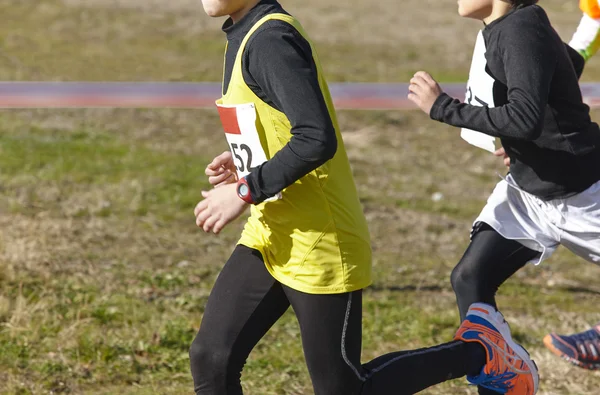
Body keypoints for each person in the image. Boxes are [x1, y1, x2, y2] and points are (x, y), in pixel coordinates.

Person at [190, 0, 538, 394]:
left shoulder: (271, 40)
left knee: (344, 389)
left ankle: (479, 352)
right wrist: (248, 166)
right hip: (272, 228)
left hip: (319, 242)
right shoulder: (242, 32)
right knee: (211, 358)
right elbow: (282, 124)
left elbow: (316, 138)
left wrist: (245, 190)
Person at [408, 0, 600, 393]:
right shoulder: (510, 25)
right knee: (470, 277)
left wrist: (443, 108)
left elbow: (524, 118)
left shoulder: (519, 28)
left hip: (582, 195)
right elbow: (561, 70)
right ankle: (501, 379)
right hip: (528, 194)